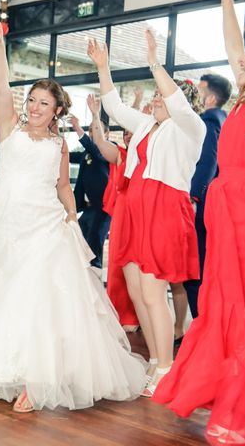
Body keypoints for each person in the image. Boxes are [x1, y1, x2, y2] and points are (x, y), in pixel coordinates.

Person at [0, 21, 146, 413]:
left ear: (58, 111)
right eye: (31, 99)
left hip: (46, 227)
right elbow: (2, 85)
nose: (33, 107)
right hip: (9, 226)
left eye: (42, 103)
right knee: (7, 295)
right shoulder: (9, 128)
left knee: (39, 298)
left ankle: (36, 381)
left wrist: (70, 216)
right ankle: (9, 369)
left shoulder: (58, 144)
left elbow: (63, 185)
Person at [153, 0, 245, 444]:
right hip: (227, 208)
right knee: (223, 304)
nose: (240, 57)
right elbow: (235, 43)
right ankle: (230, 396)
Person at [87, 31, 206, 397]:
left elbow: (177, 103)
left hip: (164, 210)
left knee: (155, 294)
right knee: (138, 291)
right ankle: (155, 360)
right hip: (135, 208)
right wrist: (104, 68)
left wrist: (155, 60)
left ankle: (168, 367)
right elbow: (115, 108)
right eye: (154, 96)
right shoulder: (144, 128)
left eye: (160, 96)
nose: (155, 99)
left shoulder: (190, 128)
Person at [86, 94, 139, 331]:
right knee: (118, 264)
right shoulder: (121, 154)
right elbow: (99, 142)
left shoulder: (149, 157)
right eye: (125, 132)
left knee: (138, 266)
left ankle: (138, 315)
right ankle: (121, 314)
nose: (128, 135)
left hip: (142, 213)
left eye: (132, 132)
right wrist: (96, 115)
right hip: (122, 212)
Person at [182, 73, 231, 319]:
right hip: (216, 202)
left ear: (211, 97)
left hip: (203, 203)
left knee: (195, 268)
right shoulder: (222, 119)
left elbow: (208, 162)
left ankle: (202, 325)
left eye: (199, 90)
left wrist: (193, 198)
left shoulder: (210, 121)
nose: (195, 96)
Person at [68, 114, 111, 269]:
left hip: (103, 209)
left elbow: (96, 152)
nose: (92, 133)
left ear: (106, 134)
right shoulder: (87, 153)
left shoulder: (108, 150)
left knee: (93, 250)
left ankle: (95, 288)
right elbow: (69, 156)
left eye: (96, 129)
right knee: (77, 243)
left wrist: (78, 130)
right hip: (88, 208)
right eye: (90, 130)